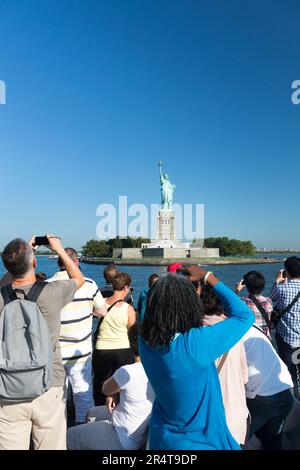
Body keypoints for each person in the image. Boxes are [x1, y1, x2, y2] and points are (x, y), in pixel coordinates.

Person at [140, 266, 255, 450]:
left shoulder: (145, 341)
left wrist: (169, 285)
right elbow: (244, 316)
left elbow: (147, 301)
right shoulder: (193, 344)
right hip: (201, 442)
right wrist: (208, 277)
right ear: (189, 305)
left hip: (162, 437)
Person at [0, 235, 85, 450]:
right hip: (49, 384)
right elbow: (79, 279)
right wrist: (59, 250)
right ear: (35, 262)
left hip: (7, 388)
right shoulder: (51, 292)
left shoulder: (1, 296)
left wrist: (18, 259)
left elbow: (6, 283)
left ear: (7, 266)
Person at [67, 323, 155, 450]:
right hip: (136, 430)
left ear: (130, 343)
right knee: (91, 413)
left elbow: (105, 389)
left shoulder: (128, 372)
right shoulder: (158, 370)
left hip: (121, 436)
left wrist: (112, 393)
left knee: (68, 436)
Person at [47, 248, 107, 425]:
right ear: (77, 263)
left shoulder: (48, 285)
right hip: (81, 352)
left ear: (59, 263)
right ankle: (83, 430)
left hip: (55, 353)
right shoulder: (89, 283)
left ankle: (59, 432)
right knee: (83, 396)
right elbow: (102, 311)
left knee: (57, 397)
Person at [201, 285, 249, 446]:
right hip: (237, 416)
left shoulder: (192, 337)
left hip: (207, 422)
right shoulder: (235, 333)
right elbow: (244, 378)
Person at [243, 323, 294, 450]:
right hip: (286, 390)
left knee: (237, 438)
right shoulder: (251, 325)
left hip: (264, 396)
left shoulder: (228, 334)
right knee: (272, 441)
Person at [93, 272, 136, 406]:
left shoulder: (101, 305)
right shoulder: (128, 308)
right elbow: (133, 331)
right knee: (122, 385)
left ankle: (99, 412)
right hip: (123, 351)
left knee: (101, 384)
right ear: (125, 288)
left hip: (101, 350)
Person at [270, 256, 300, 399]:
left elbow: (272, 298)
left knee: (289, 370)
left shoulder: (282, 288)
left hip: (286, 338)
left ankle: (293, 398)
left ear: (286, 272)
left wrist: (277, 280)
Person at [235, 271, 273, 339]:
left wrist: (237, 290)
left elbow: (229, 303)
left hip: (250, 339)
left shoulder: (242, 301)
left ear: (246, 286)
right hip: (265, 338)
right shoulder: (268, 301)